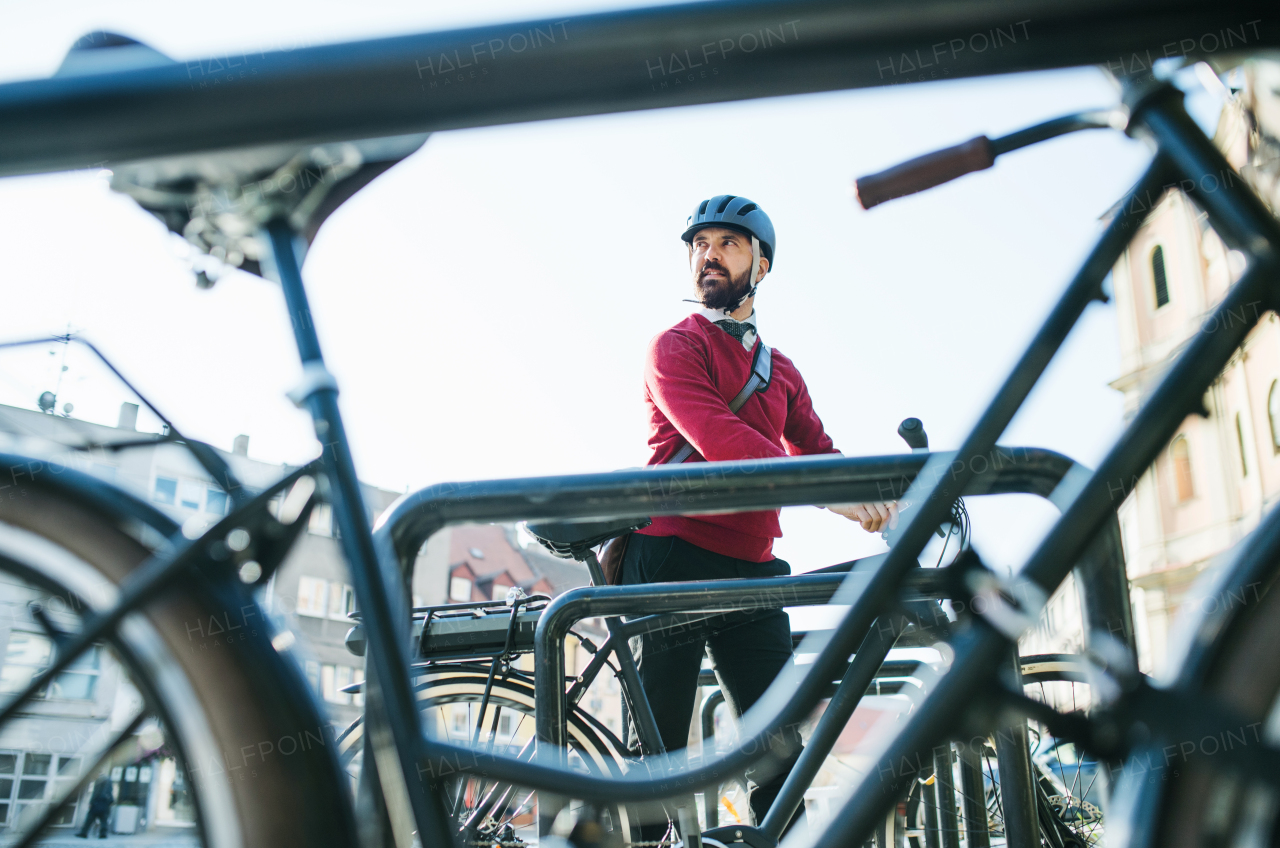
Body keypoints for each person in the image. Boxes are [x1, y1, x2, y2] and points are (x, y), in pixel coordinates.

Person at [620, 195, 897, 838]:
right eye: (699, 244)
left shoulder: (783, 371)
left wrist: (887, 499)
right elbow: (726, 445)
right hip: (670, 557)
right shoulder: (673, 347)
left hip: (751, 567)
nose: (708, 255)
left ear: (762, 265)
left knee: (777, 749)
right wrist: (837, 497)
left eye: (728, 243)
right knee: (656, 754)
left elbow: (821, 454)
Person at [77, 774, 114, 839]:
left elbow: (96, 792)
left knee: (90, 818)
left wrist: (91, 802)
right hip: (105, 803)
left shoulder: (99, 780)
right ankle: (103, 834)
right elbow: (110, 792)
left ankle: (84, 833)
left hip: (97, 802)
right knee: (104, 820)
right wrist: (110, 802)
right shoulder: (109, 781)